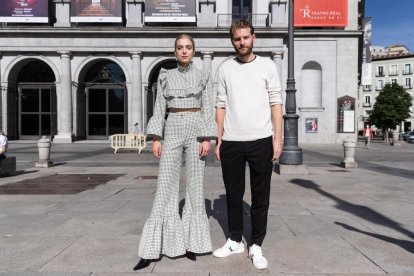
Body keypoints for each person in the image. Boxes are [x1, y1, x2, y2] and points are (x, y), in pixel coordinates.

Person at [134, 34, 215, 270]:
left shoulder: (203, 76)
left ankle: (190, 244)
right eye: (180, 48)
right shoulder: (165, 76)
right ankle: (151, 249)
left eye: (188, 47)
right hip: (172, 129)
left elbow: (208, 107)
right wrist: (156, 138)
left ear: (194, 50)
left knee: (195, 185)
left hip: (196, 130)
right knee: (165, 186)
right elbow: (159, 106)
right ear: (174, 51)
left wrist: (207, 138)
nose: (184, 51)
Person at [213, 19, 283, 270]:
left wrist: (278, 138)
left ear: (254, 38)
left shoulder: (267, 66)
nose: (241, 42)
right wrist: (219, 139)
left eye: (245, 37)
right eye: (237, 38)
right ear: (232, 41)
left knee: (260, 196)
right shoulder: (224, 69)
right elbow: (220, 105)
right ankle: (234, 240)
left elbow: (276, 103)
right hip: (231, 141)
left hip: (261, 141)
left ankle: (256, 244)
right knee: (233, 194)